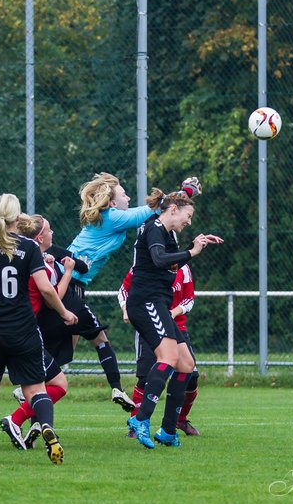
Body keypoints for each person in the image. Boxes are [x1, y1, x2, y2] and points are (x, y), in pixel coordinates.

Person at [66, 173, 202, 413]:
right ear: (112, 201)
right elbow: (155, 210)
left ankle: (35, 393)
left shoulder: (112, 218)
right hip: (66, 281)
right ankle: (35, 389)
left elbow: (161, 211)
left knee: (66, 348)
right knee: (89, 340)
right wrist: (186, 192)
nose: (128, 197)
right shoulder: (113, 217)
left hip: (72, 283)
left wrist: (182, 197)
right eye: (123, 194)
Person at [0, 194, 77, 465]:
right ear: (18, 217)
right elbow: (44, 288)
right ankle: (47, 428)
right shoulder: (28, 248)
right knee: (36, 390)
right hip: (23, 330)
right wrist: (64, 313)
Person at [124, 187, 222, 450]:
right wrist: (191, 252)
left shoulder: (167, 234)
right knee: (168, 359)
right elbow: (158, 260)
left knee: (186, 365)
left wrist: (195, 244)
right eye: (187, 216)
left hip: (158, 302)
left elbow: (172, 262)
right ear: (173, 210)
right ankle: (140, 419)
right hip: (145, 302)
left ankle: (168, 430)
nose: (188, 222)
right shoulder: (153, 227)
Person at [0, 213, 74, 451]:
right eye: (49, 231)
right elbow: (53, 295)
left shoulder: (8, 257)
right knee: (58, 384)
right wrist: (68, 271)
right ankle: (16, 419)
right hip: (25, 331)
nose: (53, 235)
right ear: (39, 237)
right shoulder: (36, 263)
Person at [119, 260, 201, 437]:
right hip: (150, 327)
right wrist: (126, 308)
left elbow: (189, 299)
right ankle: (137, 425)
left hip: (177, 328)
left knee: (191, 377)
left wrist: (174, 312)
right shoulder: (143, 265)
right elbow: (124, 290)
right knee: (145, 377)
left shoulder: (183, 267)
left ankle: (179, 420)